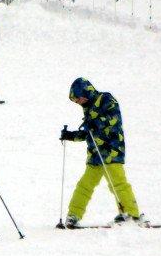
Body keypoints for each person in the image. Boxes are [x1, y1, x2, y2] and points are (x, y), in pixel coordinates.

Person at [60, 78, 142, 228]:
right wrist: (71, 136)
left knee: (117, 183)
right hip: (95, 154)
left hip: (112, 150)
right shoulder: (87, 107)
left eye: (78, 98)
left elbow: (113, 119)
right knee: (85, 185)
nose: (78, 102)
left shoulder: (106, 99)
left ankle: (131, 213)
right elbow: (89, 133)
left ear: (86, 92)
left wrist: (96, 122)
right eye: (75, 100)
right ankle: (73, 215)